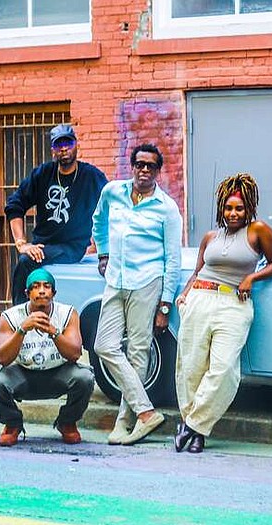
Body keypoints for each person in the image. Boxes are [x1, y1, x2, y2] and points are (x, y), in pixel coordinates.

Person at [173, 173, 272, 453]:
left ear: (249, 208)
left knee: (223, 371)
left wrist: (251, 278)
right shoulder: (210, 236)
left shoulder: (258, 230)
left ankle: (190, 425)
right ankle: (198, 432)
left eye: (239, 208)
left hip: (233, 304)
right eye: (228, 208)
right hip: (199, 298)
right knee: (191, 368)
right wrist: (184, 295)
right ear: (221, 207)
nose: (233, 213)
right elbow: (198, 271)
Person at [91, 143, 182, 446]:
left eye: (151, 166)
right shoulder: (113, 192)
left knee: (139, 351)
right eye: (140, 164)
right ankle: (145, 412)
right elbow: (98, 221)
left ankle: (124, 421)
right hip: (115, 279)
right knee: (104, 345)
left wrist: (165, 304)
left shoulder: (166, 208)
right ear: (131, 166)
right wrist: (103, 252)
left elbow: (173, 259)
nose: (145, 170)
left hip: (147, 281)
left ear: (158, 171)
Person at [0, 268, 94, 446]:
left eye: (47, 286)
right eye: (35, 287)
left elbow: (75, 354)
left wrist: (53, 332)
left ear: (54, 293)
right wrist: (22, 330)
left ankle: (67, 422)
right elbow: (3, 359)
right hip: (23, 374)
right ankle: (12, 423)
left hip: (58, 372)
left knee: (85, 377)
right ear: (27, 293)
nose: (42, 290)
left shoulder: (68, 313)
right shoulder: (10, 316)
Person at [5, 124, 107, 305]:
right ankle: (19, 317)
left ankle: (19, 315)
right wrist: (21, 243)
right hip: (42, 245)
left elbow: (111, 207)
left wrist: (105, 251)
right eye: (58, 145)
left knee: (25, 262)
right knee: (25, 259)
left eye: (68, 142)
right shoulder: (43, 174)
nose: (64, 148)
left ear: (76, 144)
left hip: (72, 248)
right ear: (53, 150)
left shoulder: (90, 176)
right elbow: (15, 204)